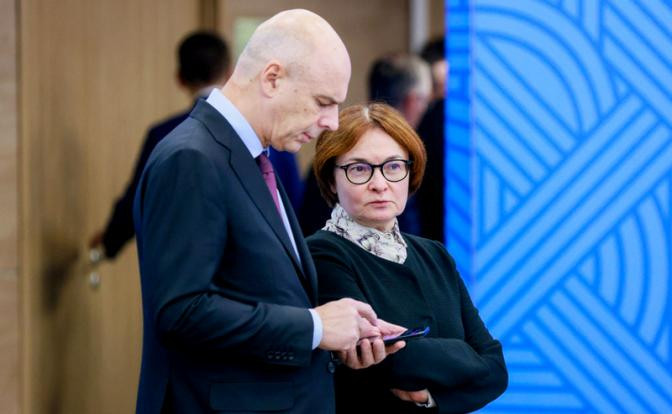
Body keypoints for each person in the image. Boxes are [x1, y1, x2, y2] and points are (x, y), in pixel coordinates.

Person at [132, 10, 404, 414]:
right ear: (272, 78)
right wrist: (315, 327)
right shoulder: (192, 158)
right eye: (323, 102)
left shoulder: (253, 156)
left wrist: (338, 329)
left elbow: (259, 290)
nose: (331, 123)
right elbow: (181, 312)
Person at [307, 103, 508, 413]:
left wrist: (431, 398)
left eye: (393, 166)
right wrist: (465, 353)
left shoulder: (435, 255)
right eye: (359, 169)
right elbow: (398, 363)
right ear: (331, 179)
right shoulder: (322, 253)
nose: (379, 184)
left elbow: (496, 370)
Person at [89, 30, 231, 260]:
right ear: (229, 72)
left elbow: (139, 198)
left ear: (179, 78)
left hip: (185, 263)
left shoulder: (164, 134)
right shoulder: (262, 133)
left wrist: (109, 241)